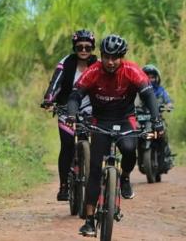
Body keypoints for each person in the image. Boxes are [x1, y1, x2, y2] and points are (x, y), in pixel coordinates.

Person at [66, 34, 164, 236]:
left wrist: (157, 120)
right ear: (101, 55)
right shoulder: (93, 71)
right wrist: (72, 114)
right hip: (100, 121)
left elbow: (148, 95)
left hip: (125, 119)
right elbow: (75, 95)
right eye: (106, 57)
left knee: (129, 150)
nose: (110, 62)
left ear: (122, 57)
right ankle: (90, 220)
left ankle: (126, 177)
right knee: (94, 170)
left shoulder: (132, 71)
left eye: (115, 57)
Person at [41, 29, 97, 201]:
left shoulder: (98, 64)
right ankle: (64, 185)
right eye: (80, 46)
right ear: (74, 47)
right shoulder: (66, 63)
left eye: (88, 47)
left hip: (91, 109)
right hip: (66, 108)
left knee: (99, 144)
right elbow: (55, 82)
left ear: (92, 48)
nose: (84, 50)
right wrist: (49, 99)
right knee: (67, 145)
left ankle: (97, 180)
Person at [142, 64, 174, 173]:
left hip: (158, 122)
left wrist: (168, 105)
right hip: (142, 122)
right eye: (147, 77)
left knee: (163, 135)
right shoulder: (139, 92)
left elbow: (168, 101)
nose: (150, 79)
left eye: (152, 77)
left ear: (157, 78)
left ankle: (166, 157)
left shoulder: (161, 91)